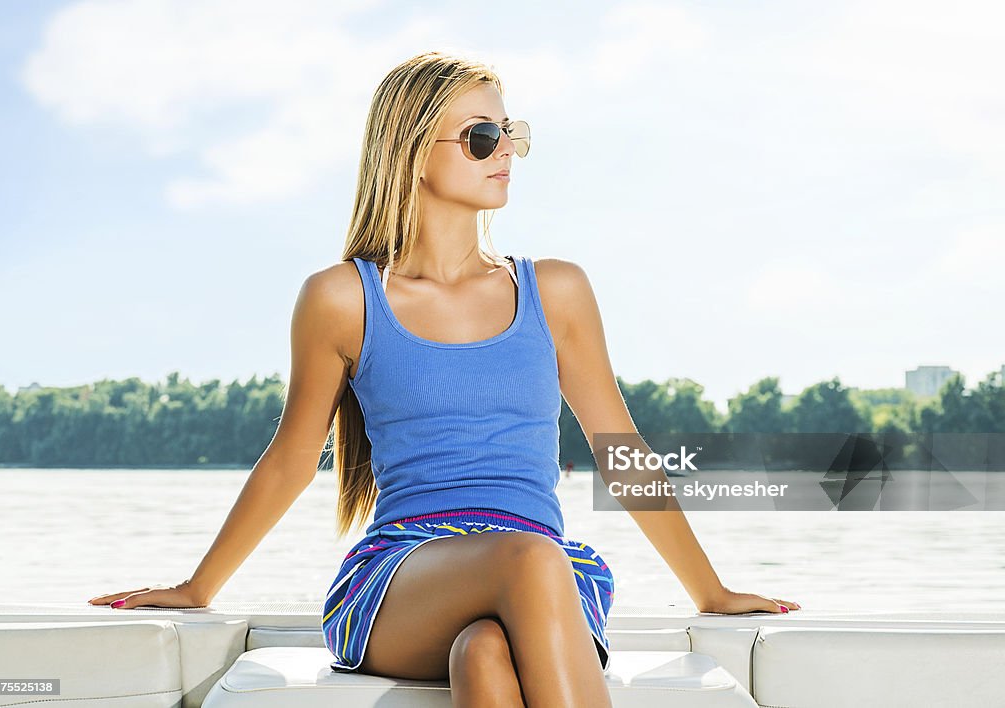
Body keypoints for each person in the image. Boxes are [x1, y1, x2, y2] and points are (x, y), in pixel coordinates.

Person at [89, 50, 799, 706]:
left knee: (486, 655)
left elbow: (622, 450)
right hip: (403, 576)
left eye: (510, 133)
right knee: (526, 560)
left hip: (547, 572)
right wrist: (197, 587)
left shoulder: (557, 291)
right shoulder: (342, 299)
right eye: (480, 137)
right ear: (411, 153)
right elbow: (289, 460)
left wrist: (711, 591)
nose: (506, 154)